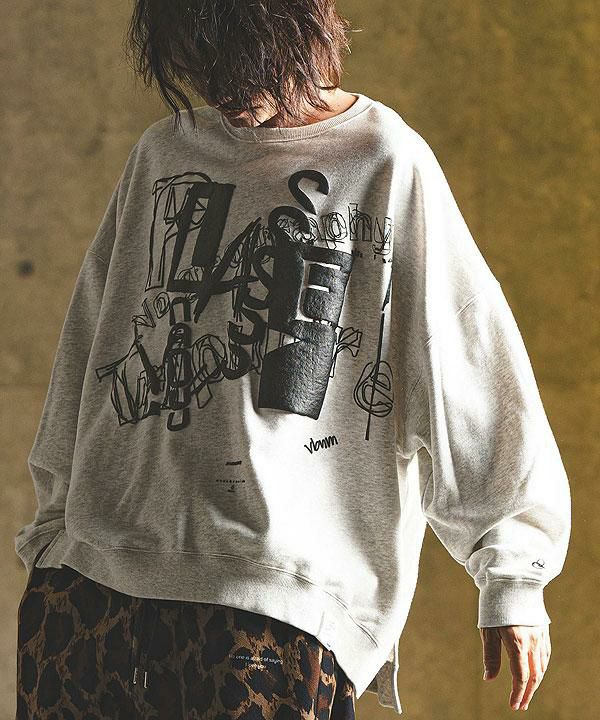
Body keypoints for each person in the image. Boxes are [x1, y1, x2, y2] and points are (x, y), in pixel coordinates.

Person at [14, 1, 571, 717]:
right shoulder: (164, 152)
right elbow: (93, 342)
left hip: (272, 605)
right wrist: (52, 532)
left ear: (293, 30)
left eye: (234, 59)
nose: (220, 88)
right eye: (199, 62)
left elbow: (469, 358)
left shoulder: (382, 159)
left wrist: (513, 575)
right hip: (89, 590)